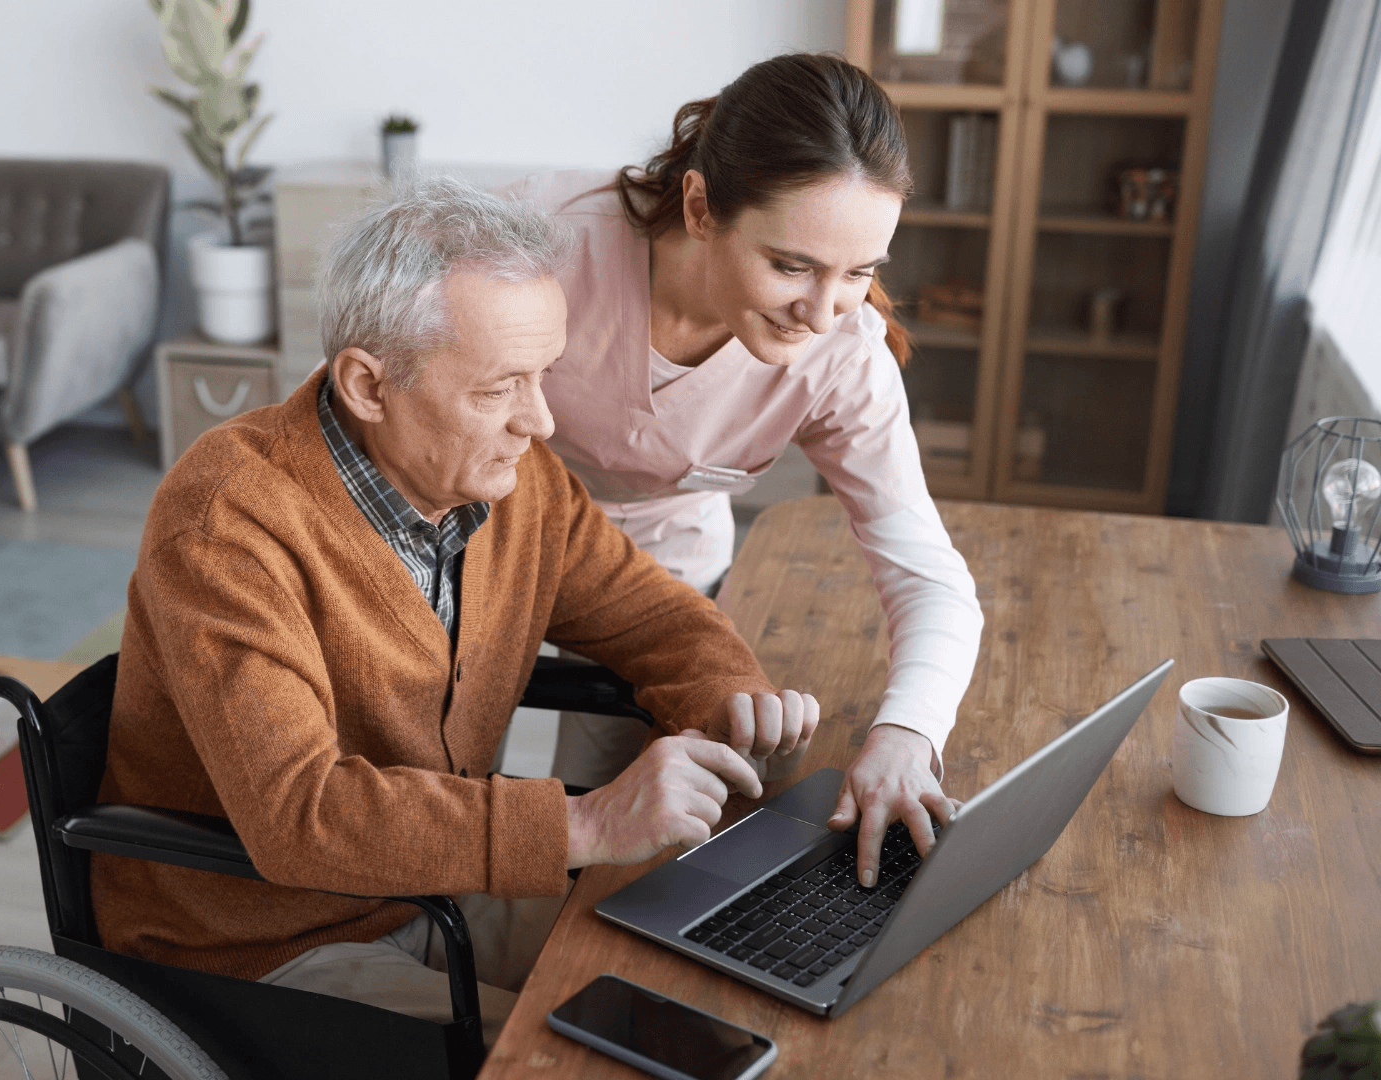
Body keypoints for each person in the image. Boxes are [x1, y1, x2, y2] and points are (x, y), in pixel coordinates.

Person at [91, 178, 819, 1042]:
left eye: (545, 375)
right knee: (597, 1054)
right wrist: (584, 822)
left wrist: (732, 692)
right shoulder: (228, 520)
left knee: (709, 981)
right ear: (369, 384)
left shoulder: (515, 483)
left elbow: (643, 612)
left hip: (436, 891)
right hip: (262, 941)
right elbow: (300, 815)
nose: (540, 421)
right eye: (500, 388)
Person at [508, 53, 980, 888]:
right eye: (793, 265)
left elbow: (928, 574)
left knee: (617, 851)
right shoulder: (540, 246)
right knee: (458, 794)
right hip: (486, 553)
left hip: (659, 586)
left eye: (860, 271)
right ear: (699, 207)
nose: (824, 310)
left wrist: (909, 734)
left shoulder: (842, 355)